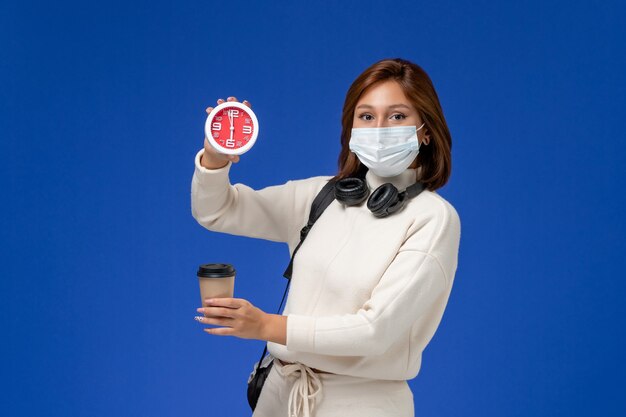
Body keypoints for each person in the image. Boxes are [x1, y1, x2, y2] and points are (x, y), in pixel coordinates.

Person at [191, 58, 461, 417]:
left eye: (397, 116)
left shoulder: (432, 218)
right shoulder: (321, 197)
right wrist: (215, 156)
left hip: (361, 403)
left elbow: (375, 330)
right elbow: (218, 210)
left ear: (425, 130)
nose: (379, 128)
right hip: (280, 395)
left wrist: (266, 325)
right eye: (366, 116)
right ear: (351, 127)